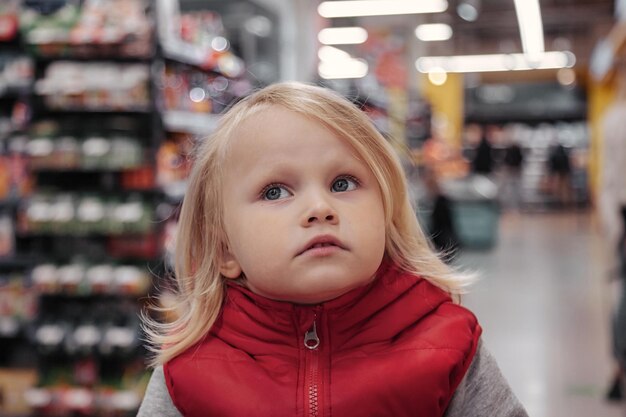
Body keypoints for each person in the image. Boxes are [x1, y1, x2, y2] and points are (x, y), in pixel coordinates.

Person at [137, 82, 528, 417]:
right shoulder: (188, 368)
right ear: (224, 249)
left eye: (343, 183)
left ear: (386, 214)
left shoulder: (450, 346)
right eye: (275, 191)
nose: (320, 209)